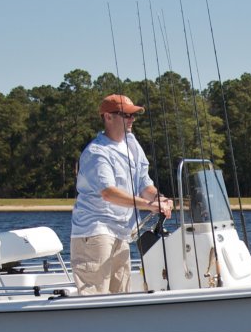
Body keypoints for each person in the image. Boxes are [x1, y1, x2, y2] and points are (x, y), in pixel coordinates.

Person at [69, 94, 173, 294]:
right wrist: (148, 205)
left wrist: (160, 199)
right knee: (95, 298)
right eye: (126, 115)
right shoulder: (97, 152)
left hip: (122, 232)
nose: (132, 119)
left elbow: (144, 184)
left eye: (133, 115)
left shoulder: (132, 145)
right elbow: (108, 193)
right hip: (96, 232)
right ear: (108, 117)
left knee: (121, 295)